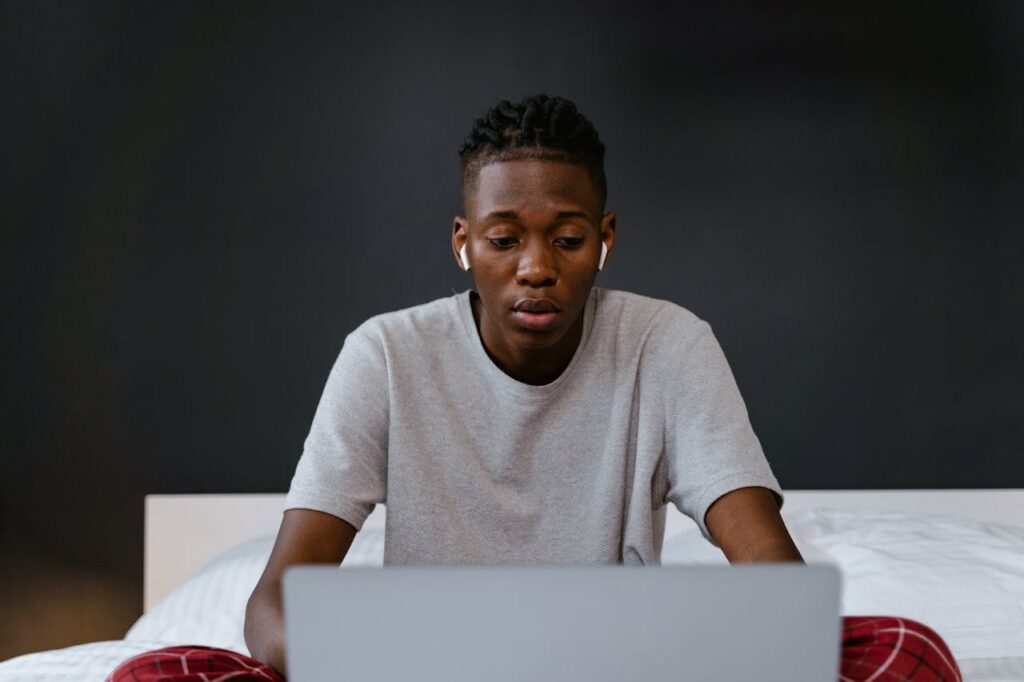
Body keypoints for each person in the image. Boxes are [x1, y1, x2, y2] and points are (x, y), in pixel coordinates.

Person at [108, 94, 962, 682]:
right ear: (461, 243)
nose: (536, 268)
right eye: (504, 238)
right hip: (419, 676)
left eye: (567, 237)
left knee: (906, 651)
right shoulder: (387, 356)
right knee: (154, 672)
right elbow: (276, 602)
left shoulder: (668, 346)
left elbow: (774, 577)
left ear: (605, 239)